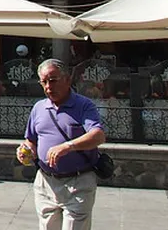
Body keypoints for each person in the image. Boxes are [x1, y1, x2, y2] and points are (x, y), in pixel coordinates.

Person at [17, 59, 106, 230]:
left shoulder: (83, 105)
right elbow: (31, 140)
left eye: (53, 80)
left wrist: (68, 146)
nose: (48, 86)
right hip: (45, 183)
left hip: (78, 183)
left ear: (67, 79)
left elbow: (98, 136)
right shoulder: (38, 108)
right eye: (44, 82)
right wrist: (26, 150)